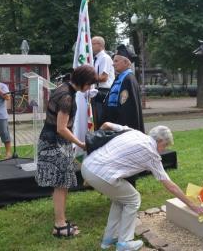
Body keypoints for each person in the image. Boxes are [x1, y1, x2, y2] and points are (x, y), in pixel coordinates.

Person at [81, 122, 203, 250]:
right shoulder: (152, 153)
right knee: (133, 199)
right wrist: (193, 206)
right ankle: (124, 243)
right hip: (101, 175)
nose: (164, 149)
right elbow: (171, 186)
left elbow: (106, 125)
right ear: (159, 140)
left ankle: (109, 239)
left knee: (120, 200)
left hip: (88, 165)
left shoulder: (134, 132)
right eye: (164, 145)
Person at [35, 65, 97, 238]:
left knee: (61, 185)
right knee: (62, 185)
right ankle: (60, 226)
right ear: (84, 82)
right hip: (55, 144)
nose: (90, 88)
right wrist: (80, 143)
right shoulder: (67, 97)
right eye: (90, 84)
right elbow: (61, 128)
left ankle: (60, 220)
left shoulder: (63, 87)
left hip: (51, 142)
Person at [102, 44, 144, 132]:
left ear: (125, 62)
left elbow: (127, 109)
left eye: (116, 61)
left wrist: (118, 127)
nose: (113, 64)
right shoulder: (120, 78)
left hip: (121, 125)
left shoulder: (128, 79)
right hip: (113, 123)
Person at [92, 36, 114, 130]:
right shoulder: (96, 59)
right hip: (97, 91)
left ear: (100, 45)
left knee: (101, 119)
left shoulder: (105, 58)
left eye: (93, 44)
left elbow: (104, 77)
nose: (90, 46)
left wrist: (87, 77)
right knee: (96, 119)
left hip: (104, 91)